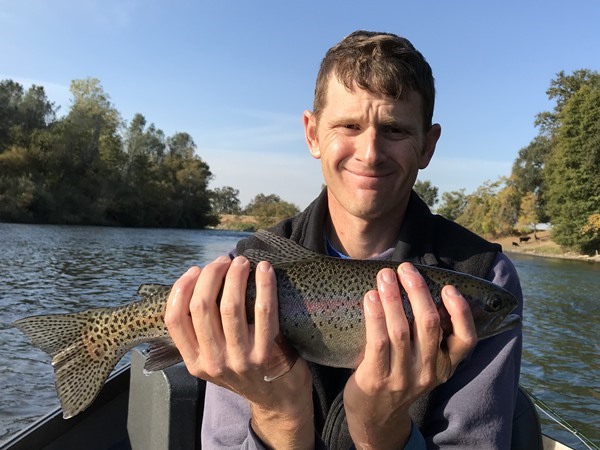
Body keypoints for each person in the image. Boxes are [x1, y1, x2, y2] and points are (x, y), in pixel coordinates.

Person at [164, 30, 522, 449]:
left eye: (394, 129)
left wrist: (382, 430)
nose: (370, 152)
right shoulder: (242, 272)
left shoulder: (486, 275)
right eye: (348, 125)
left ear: (428, 145)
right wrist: (280, 419)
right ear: (313, 134)